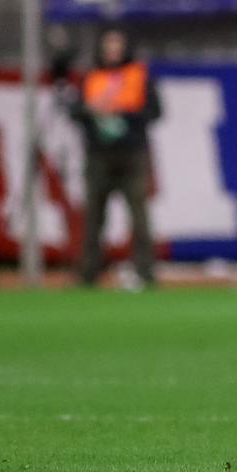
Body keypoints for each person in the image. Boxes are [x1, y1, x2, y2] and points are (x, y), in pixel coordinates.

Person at [62, 26, 161, 287]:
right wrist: (91, 111)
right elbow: (75, 112)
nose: (113, 50)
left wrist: (123, 112)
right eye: (109, 44)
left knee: (139, 216)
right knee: (93, 218)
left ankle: (145, 271)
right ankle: (89, 272)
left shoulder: (138, 75)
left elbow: (155, 111)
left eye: (118, 44)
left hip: (131, 155)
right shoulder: (91, 77)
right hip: (98, 157)